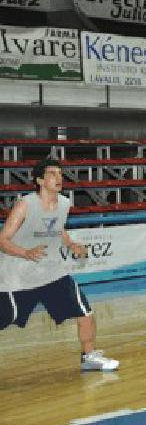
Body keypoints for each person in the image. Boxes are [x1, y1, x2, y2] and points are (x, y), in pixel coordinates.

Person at [0, 158, 119, 372]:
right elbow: (3, 239)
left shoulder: (64, 203)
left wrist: (71, 243)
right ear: (39, 180)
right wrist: (25, 253)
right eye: (52, 173)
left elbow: (57, 228)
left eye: (60, 173)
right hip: (18, 276)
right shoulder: (25, 205)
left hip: (51, 273)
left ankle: (89, 356)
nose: (59, 178)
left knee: (85, 312)